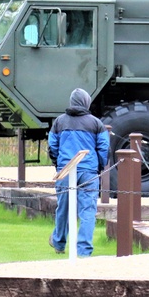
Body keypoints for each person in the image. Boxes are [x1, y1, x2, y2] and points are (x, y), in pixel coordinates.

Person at [48, 88, 108, 257]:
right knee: (88, 211)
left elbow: (52, 146)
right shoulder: (96, 123)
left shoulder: (59, 122)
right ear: (87, 102)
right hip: (88, 171)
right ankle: (84, 250)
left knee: (63, 208)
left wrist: (58, 165)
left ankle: (59, 242)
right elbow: (103, 148)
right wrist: (99, 167)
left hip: (65, 170)